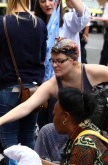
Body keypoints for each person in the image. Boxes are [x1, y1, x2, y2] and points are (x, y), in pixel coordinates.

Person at [0, 37, 108, 162]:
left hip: (102, 128)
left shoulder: (96, 72)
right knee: (47, 130)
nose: (54, 65)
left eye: (60, 61)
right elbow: (27, 106)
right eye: (52, 60)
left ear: (74, 60)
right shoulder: (53, 84)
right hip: (73, 132)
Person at [0, 0, 47, 165]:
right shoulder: (39, 23)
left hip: (9, 88)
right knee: (28, 137)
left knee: (9, 141)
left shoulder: (1, 23)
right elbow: (42, 57)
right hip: (34, 90)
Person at [35, 0, 90, 128]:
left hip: (66, 85)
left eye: (51, 0)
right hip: (42, 83)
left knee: (62, 127)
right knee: (43, 128)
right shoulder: (37, 24)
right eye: (43, 1)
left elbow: (83, 16)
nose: (48, 4)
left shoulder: (68, 20)